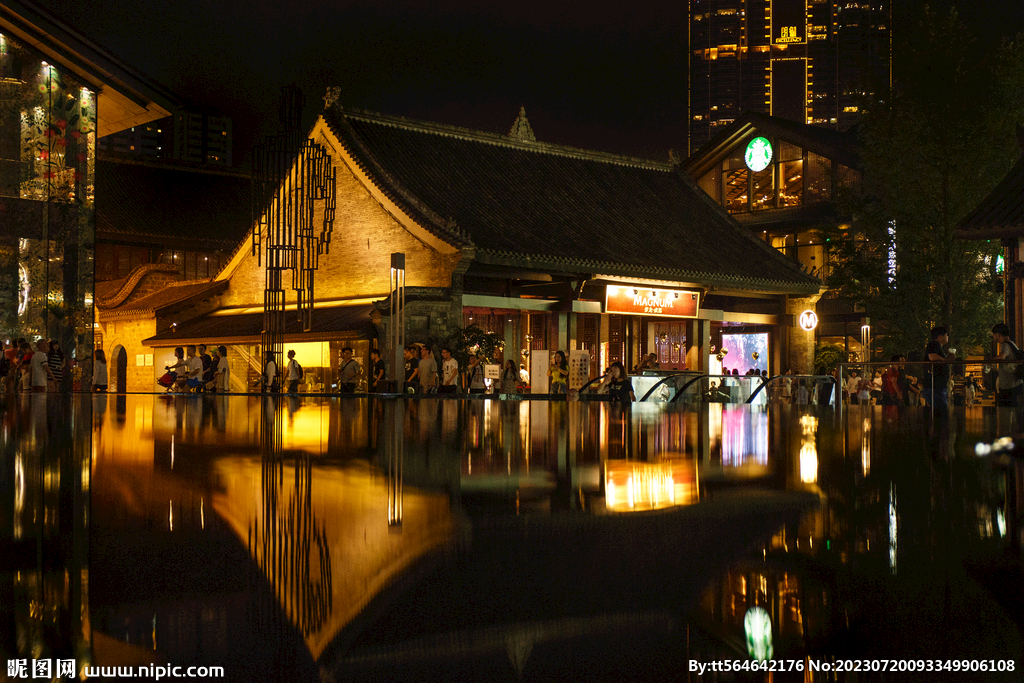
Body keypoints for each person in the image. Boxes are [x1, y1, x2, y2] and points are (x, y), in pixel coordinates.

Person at [924, 326, 956, 412]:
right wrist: (945, 360)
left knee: (940, 410)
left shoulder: (937, 346)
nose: (947, 337)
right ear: (940, 336)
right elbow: (932, 356)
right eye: (946, 335)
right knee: (940, 411)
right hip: (936, 385)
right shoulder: (933, 344)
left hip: (938, 385)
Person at [991, 322, 1023, 407]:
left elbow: (1002, 357)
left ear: (998, 334)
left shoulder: (1005, 345)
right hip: (1016, 383)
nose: (993, 336)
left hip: (1009, 385)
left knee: (1006, 411)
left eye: (993, 334)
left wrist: (993, 359)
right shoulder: (1012, 344)